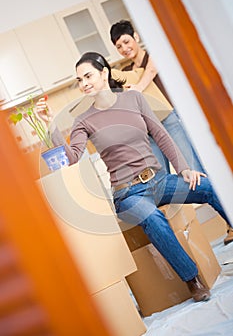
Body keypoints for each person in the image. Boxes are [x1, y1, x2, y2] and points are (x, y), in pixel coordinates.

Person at [37, 52, 232, 302]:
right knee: (154, 219)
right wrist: (51, 124)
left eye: (88, 76)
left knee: (210, 186)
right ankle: (192, 280)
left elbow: (160, 135)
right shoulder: (82, 121)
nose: (84, 83)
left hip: (159, 180)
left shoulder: (134, 98)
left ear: (104, 73)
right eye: (79, 80)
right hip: (128, 193)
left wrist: (184, 168)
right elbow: (71, 158)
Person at [110, 20, 233, 246]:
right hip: (151, 133)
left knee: (195, 172)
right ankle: (180, 234)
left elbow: (152, 71)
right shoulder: (127, 73)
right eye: (118, 46)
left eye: (126, 41)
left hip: (170, 121)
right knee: (158, 183)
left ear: (135, 37)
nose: (124, 48)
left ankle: (230, 222)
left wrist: (138, 88)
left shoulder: (153, 56)